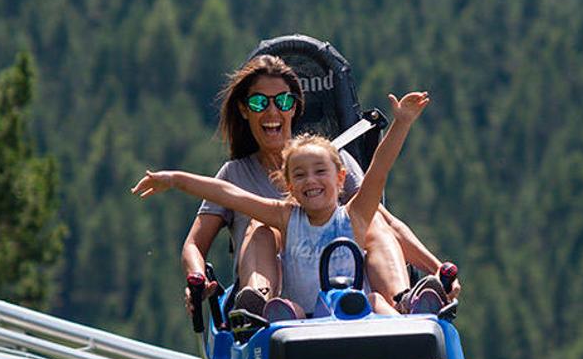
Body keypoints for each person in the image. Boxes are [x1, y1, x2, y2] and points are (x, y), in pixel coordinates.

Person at [176, 55, 458, 318]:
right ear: (244, 109)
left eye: (283, 102)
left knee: (373, 220)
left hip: (352, 295)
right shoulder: (235, 173)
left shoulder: (333, 159)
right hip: (286, 300)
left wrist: (438, 270)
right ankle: (258, 305)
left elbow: (382, 215)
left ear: (295, 107)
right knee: (260, 228)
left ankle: (404, 300)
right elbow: (194, 244)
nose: (272, 111)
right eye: (260, 103)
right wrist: (197, 279)